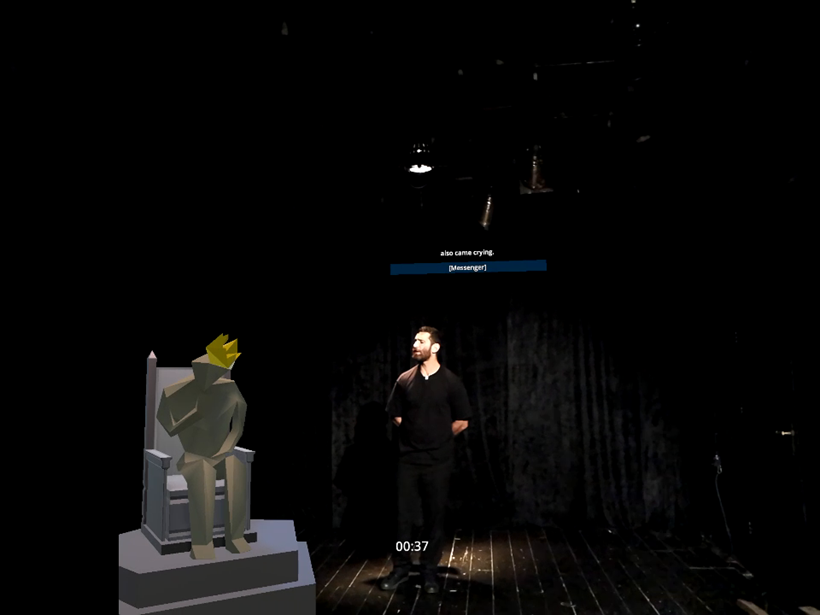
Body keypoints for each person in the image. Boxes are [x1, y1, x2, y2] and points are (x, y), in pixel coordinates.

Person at [380, 326, 471, 594]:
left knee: (434, 518)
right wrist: (413, 435)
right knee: (403, 518)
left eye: (421, 341)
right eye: (414, 341)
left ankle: (429, 571)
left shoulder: (451, 382)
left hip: (438, 462)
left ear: (435, 347)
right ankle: (401, 568)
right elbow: (396, 414)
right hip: (408, 461)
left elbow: (462, 421)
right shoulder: (404, 380)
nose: (415, 345)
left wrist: (438, 439)